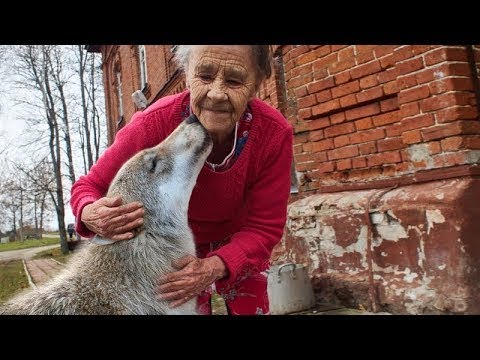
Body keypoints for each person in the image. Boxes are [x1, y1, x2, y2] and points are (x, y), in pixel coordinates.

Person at [70, 45, 293, 315]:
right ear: (187, 74)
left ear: (256, 84)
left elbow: (264, 227)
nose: (217, 93)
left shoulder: (273, 133)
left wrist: (214, 266)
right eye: (205, 76)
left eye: (234, 80)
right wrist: (90, 212)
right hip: (173, 242)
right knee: (178, 299)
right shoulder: (153, 123)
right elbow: (88, 187)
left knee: (252, 306)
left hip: (238, 239)